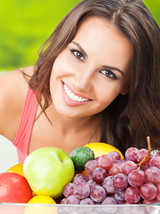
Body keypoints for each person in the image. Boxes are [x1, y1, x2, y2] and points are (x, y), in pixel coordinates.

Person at [0, 0, 160, 163]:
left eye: (107, 73)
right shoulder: (7, 96)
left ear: (128, 85)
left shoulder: (138, 133)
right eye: (78, 54)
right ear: (61, 45)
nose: (81, 83)